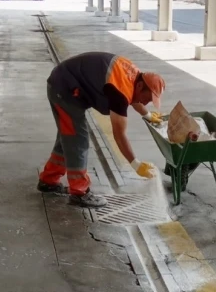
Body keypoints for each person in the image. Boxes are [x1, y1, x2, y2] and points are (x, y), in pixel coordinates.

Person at [38, 52, 165, 209]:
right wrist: (135, 164)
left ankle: (48, 181)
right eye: (149, 98)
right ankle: (80, 192)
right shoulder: (119, 92)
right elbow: (119, 134)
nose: (147, 102)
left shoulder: (134, 76)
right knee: (78, 139)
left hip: (64, 83)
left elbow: (134, 97)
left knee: (67, 138)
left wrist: (147, 115)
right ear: (140, 86)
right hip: (64, 89)